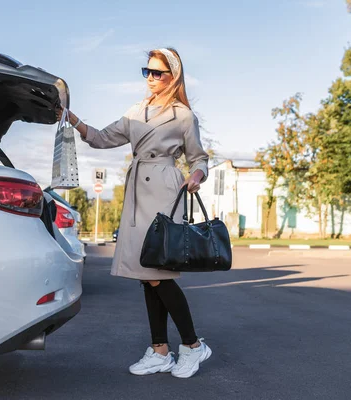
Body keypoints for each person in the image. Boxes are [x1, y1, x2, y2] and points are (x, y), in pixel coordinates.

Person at [58, 48, 211, 378]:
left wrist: (197, 175)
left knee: (158, 273)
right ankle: (160, 351)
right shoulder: (134, 112)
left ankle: (193, 346)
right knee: (147, 275)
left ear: (173, 77)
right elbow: (100, 138)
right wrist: (73, 119)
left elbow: (199, 157)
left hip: (166, 193)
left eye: (158, 73)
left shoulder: (183, 115)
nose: (152, 78)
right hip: (138, 194)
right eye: (148, 72)